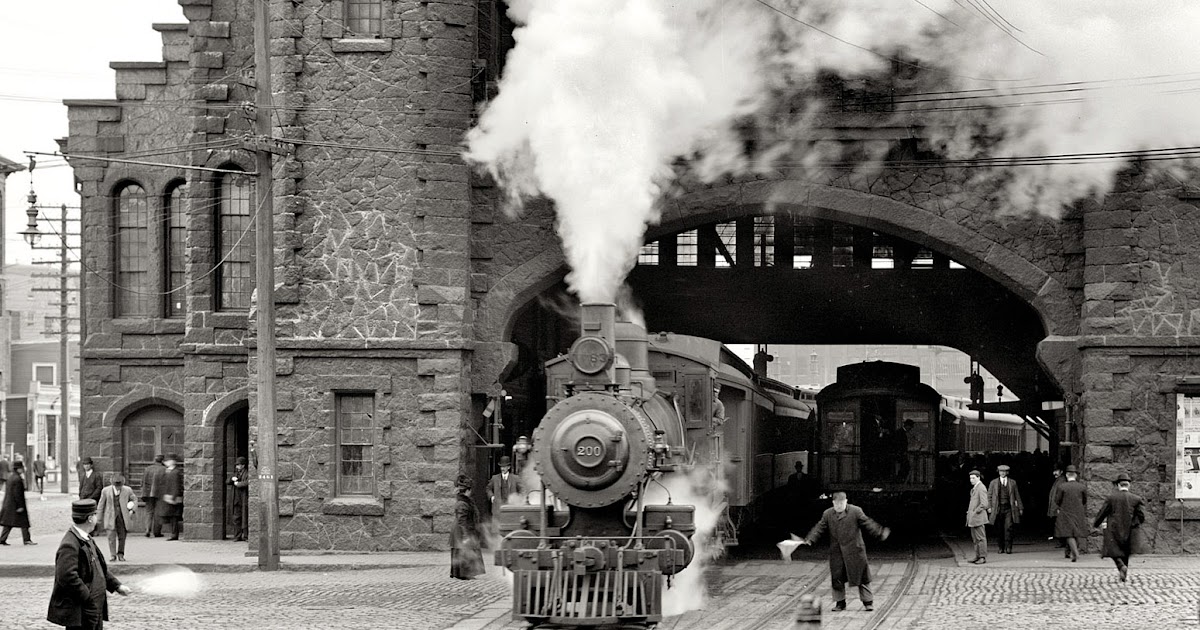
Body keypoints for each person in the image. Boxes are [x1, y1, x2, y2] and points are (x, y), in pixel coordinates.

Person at [796, 491, 890, 612]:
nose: (839, 506)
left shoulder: (856, 511)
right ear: (833, 503)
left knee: (862, 576)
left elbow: (867, 523)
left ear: (846, 502)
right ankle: (840, 603)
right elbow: (819, 527)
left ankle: (868, 602)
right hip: (837, 551)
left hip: (855, 550)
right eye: (837, 503)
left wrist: (879, 532)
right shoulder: (828, 514)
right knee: (837, 578)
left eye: (842, 503)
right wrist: (810, 538)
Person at [46, 499, 133, 628]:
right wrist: (88, 597)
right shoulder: (70, 544)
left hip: (92, 609)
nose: (97, 518)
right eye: (95, 515)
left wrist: (116, 586)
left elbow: (99, 567)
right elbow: (67, 577)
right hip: (82, 610)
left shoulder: (85, 538)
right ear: (90, 518)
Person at [1093, 472, 1146, 582]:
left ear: (1118, 485)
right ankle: (1124, 571)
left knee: (1113, 550)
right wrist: (1136, 523)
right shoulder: (1136, 499)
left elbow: (1103, 512)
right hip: (1129, 529)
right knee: (1126, 550)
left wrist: (1096, 523)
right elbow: (1141, 515)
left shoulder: (1111, 498)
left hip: (1114, 528)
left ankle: (1121, 566)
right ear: (1128, 485)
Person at [95, 474, 137, 562]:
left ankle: (121, 554)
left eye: (120, 485)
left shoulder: (127, 490)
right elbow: (101, 504)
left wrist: (132, 510)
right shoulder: (105, 491)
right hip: (110, 516)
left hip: (123, 517)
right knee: (111, 536)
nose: (118, 487)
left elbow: (134, 499)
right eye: (116, 486)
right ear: (113, 484)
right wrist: (99, 518)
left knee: (122, 536)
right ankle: (112, 555)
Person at [450, 474, 485, 579]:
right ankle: (463, 574)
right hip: (461, 530)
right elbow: (461, 521)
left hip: (465, 528)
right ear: (467, 491)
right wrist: (465, 535)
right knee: (464, 550)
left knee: (467, 550)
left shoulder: (465, 501)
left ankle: (465, 573)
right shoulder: (462, 503)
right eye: (470, 490)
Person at [1053, 465, 1088, 562]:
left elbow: (1057, 500)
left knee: (1068, 533)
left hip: (1066, 511)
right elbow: (1085, 500)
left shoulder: (1062, 487)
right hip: (1078, 511)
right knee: (1075, 531)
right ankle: (1067, 552)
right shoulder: (1082, 487)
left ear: (1067, 475)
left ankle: (1075, 553)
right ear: (1075, 475)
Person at [988, 464, 1023, 554]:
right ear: (998, 472)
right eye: (1001, 471)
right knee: (999, 529)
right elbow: (989, 496)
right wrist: (989, 507)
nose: (1002, 473)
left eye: (1004, 471)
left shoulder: (1012, 482)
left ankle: (1008, 547)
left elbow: (1017, 495)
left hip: (1009, 508)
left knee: (1009, 527)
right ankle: (1001, 547)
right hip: (998, 508)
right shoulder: (993, 482)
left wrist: (1020, 507)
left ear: (1007, 472)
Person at [1, 460, 35, 546]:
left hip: (9, 504)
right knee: (24, 523)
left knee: (8, 523)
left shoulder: (11, 477)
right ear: (18, 469)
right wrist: (20, 505)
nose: (23, 469)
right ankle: (27, 539)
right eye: (22, 468)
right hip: (16, 505)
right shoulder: (18, 479)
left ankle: (2, 539)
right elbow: (18, 494)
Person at [157, 454, 184, 541]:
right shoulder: (169, 471)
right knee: (172, 516)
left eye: (167, 461)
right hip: (169, 496)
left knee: (174, 517)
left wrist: (173, 496)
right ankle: (173, 533)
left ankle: (174, 534)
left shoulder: (175, 472)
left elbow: (176, 485)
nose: (165, 463)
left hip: (173, 497)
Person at [966, 469, 989, 564]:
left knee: (980, 538)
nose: (971, 480)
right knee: (975, 539)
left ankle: (982, 557)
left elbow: (984, 503)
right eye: (970, 478)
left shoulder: (981, 488)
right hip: (974, 518)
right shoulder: (976, 487)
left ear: (978, 477)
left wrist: (975, 511)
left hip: (978, 518)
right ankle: (977, 555)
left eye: (973, 478)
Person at [140, 455, 166, 538]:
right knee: (158, 512)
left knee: (149, 512)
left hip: (148, 493)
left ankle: (147, 529)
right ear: (162, 461)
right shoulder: (164, 469)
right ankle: (157, 532)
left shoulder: (147, 469)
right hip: (159, 493)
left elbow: (142, 481)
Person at [228, 457, 250, 542]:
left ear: (243, 465)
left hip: (243, 498)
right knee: (236, 518)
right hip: (236, 499)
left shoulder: (247, 473)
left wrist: (238, 484)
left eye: (239, 465)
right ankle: (237, 536)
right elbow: (227, 481)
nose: (237, 466)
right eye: (236, 465)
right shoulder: (235, 473)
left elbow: (248, 482)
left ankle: (246, 536)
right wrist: (231, 479)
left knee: (245, 517)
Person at [1046, 465, 1065, 547]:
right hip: (1055, 506)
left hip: (1058, 507)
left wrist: (1058, 507)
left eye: (1056, 471)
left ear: (1061, 471)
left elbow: (1060, 495)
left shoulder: (1061, 481)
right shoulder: (1058, 480)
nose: (1054, 473)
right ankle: (1061, 541)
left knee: (1060, 524)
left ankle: (1062, 542)